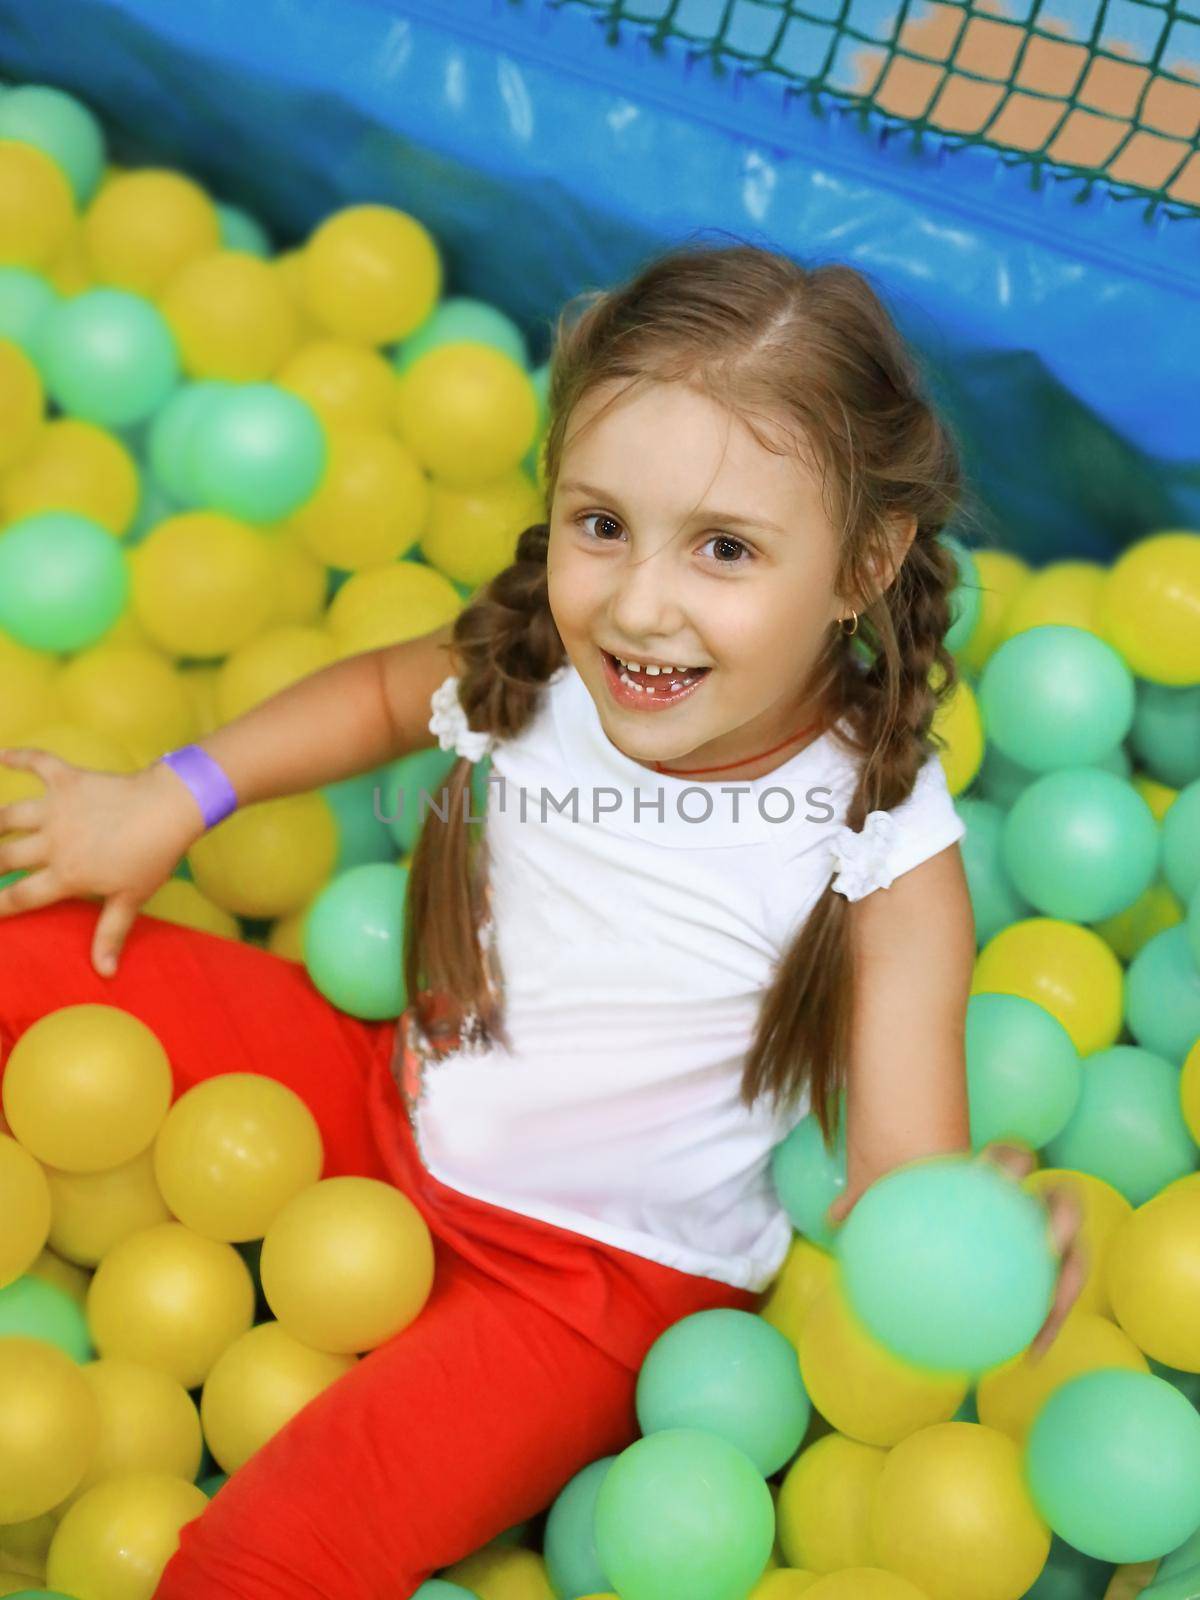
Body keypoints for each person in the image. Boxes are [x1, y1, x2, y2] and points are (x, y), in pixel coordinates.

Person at [0, 241, 1083, 1599]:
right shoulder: (553, 667)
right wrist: (173, 796)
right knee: (27, 957)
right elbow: (385, 697)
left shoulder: (877, 840)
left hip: (585, 1292)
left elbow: (899, 1169)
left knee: (264, 1562)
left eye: (727, 549)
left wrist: (957, 1235)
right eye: (601, 523)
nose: (639, 603)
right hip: (384, 1093)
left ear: (864, 563)